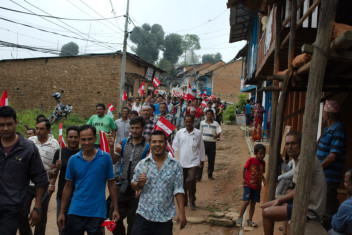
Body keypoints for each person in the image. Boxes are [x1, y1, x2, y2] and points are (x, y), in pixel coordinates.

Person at [57, 125, 120, 235]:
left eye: (90, 139)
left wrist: (115, 208)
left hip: (97, 213)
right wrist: (61, 212)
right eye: (83, 139)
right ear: (80, 140)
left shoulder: (105, 158)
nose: (86, 142)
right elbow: (68, 186)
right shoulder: (73, 160)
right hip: (75, 211)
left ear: (95, 139)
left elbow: (112, 184)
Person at [262, 131, 326, 235]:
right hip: (303, 203)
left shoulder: (306, 161)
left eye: (293, 143)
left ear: (300, 144)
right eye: (287, 144)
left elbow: (299, 190)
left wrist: (280, 201)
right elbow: (299, 189)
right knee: (265, 206)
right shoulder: (298, 160)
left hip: (310, 210)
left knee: (266, 212)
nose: (289, 147)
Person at [0, 106, 48, 235]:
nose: (5, 128)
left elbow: (40, 179)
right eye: (1, 125)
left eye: (9, 124)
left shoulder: (28, 148)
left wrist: (37, 207)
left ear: (16, 123)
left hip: (13, 208)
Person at [131, 130, 187, 235]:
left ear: (166, 144)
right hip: (143, 215)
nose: (157, 145)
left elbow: (179, 190)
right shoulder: (142, 164)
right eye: (154, 142)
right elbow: (133, 184)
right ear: (150, 144)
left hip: (164, 219)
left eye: (160, 142)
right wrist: (139, 184)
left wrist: (182, 213)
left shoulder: (175, 166)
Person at [108, 116, 149, 235]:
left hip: (138, 189)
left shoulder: (147, 145)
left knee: (134, 221)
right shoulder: (123, 142)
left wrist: (141, 185)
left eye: (137, 128)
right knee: (113, 216)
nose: (134, 131)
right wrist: (111, 146)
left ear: (143, 128)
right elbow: (114, 160)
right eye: (132, 128)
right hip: (122, 185)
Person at [19, 119, 59, 235]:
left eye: (41, 129)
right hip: (27, 184)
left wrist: (52, 183)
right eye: (37, 128)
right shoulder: (30, 141)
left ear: (48, 130)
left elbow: (55, 168)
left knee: (40, 215)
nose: (38, 131)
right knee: (21, 212)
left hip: (43, 184)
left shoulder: (55, 145)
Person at [316, 100, 347, 228]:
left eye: (324, 112)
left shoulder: (337, 129)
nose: (322, 115)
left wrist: (317, 167)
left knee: (329, 207)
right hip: (323, 175)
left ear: (328, 115)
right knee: (323, 205)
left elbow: (332, 156)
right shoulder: (328, 129)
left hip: (330, 177)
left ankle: (329, 229)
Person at [51, 126, 80, 235]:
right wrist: (56, 169)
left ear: (80, 138)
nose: (73, 140)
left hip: (79, 196)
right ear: (66, 138)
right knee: (62, 226)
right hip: (62, 196)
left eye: (76, 137)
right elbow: (52, 174)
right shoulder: (59, 153)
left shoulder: (84, 153)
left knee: (77, 228)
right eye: (70, 137)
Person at [172, 115, 205, 209]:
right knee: (183, 183)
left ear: (193, 122)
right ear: (184, 122)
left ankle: (192, 199)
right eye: (186, 122)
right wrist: (171, 157)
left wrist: (202, 160)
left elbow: (201, 147)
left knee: (190, 180)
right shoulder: (180, 133)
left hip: (194, 161)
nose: (188, 123)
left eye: (190, 121)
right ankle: (185, 200)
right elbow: (175, 146)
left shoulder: (198, 133)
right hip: (181, 161)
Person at [236, 144, 266, 228]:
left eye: (263, 153)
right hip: (248, 185)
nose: (262, 155)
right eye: (260, 153)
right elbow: (244, 168)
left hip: (257, 187)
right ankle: (240, 218)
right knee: (246, 202)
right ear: (255, 153)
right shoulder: (251, 160)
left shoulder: (263, 163)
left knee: (253, 204)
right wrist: (243, 178)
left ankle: (250, 220)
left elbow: (261, 172)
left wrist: (263, 179)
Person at [197, 109, 221, 181]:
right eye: (208, 114)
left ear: (213, 115)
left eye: (210, 114)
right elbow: (200, 133)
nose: (209, 116)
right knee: (201, 160)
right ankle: (198, 176)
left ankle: (210, 175)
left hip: (212, 143)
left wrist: (216, 136)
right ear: (206, 115)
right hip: (203, 143)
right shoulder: (202, 123)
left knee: (211, 159)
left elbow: (219, 132)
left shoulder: (216, 123)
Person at [329, 169, 352, 235]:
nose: (344, 184)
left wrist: (335, 216)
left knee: (333, 232)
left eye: (346, 182)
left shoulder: (347, 205)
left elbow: (337, 226)